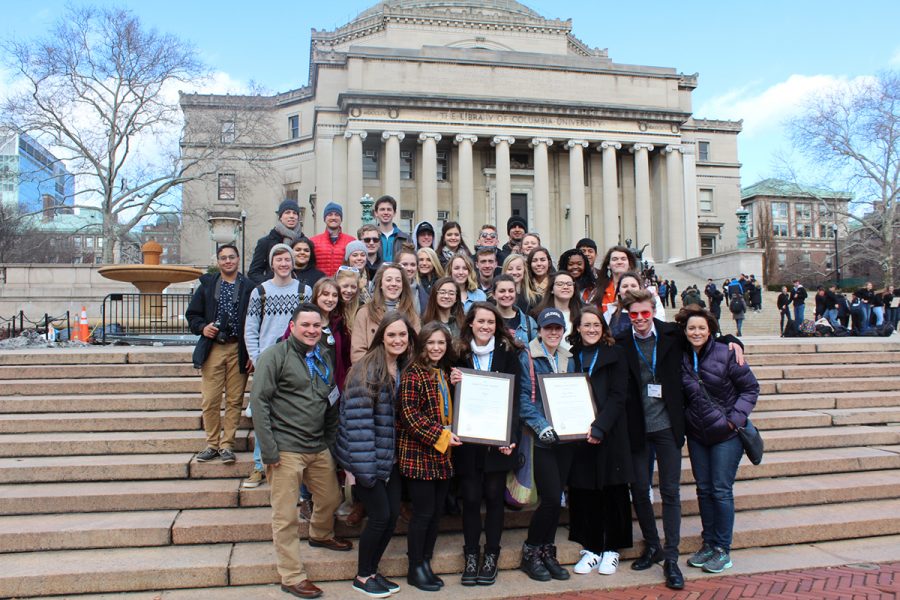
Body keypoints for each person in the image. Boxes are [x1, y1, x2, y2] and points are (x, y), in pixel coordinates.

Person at [249, 303, 351, 600]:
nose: (311, 330)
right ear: (292, 327)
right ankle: (291, 575)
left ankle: (320, 534)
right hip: (285, 448)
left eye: (316, 326)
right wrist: (269, 450)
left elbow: (332, 399)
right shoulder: (274, 356)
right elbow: (260, 403)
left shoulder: (323, 357)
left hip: (317, 445)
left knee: (332, 497)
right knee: (285, 516)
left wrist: (329, 439)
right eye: (305, 325)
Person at [336, 313, 415, 598]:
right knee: (380, 517)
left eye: (402, 335)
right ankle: (362, 575)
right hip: (366, 459)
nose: (398, 340)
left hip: (389, 458)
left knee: (392, 515)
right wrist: (364, 471)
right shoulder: (366, 370)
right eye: (392, 335)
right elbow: (358, 426)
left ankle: (372, 570)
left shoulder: (404, 366)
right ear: (381, 337)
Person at [676, 305, 759, 574]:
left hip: (727, 434)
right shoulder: (683, 358)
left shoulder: (726, 353)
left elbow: (750, 388)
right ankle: (709, 543)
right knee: (704, 489)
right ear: (685, 331)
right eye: (691, 328)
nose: (696, 332)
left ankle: (723, 549)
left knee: (721, 490)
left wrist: (734, 419)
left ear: (710, 329)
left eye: (701, 328)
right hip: (699, 434)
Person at [449, 302, 526, 586]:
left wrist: (512, 437)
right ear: (470, 323)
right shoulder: (457, 352)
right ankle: (471, 554)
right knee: (470, 498)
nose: (485, 326)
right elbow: (445, 393)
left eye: (490, 322)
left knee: (494, 497)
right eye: (480, 321)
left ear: (497, 326)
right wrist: (451, 379)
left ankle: (491, 554)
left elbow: (516, 399)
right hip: (468, 440)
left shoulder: (507, 354)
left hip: (497, 439)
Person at [615, 289, 685, 589]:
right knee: (640, 490)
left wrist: (733, 343)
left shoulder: (672, 334)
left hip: (667, 426)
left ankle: (671, 558)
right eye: (634, 315)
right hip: (637, 427)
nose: (640, 320)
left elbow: (707, 337)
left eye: (645, 314)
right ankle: (653, 544)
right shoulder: (621, 342)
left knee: (670, 492)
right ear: (627, 315)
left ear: (653, 311)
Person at [568, 306, 633, 577]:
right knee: (585, 492)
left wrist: (600, 427)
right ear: (578, 329)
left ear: (603, 328)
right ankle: (592, 547)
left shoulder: (615, 353)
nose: (591, 329)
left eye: (596, 325)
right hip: (579, 433)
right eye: (586, 325)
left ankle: (612, 549)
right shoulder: (573, 355)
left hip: (610, 432)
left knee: (614, 490)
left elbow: (620, 395)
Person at [398, 323, 462, 592]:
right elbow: (411, 416)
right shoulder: (413, 373)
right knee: (423, 513)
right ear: (422, 345)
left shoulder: (446, 373)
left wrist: (460, 386)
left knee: (436, 513)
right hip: (419, 454)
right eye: (431, 343)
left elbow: (450, 408)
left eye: (441, 343)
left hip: (442, 456)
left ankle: (426, 560)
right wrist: (443, 436)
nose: (436, 348)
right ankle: (415, 567)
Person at [518, 308, 576, 583]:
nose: (553, 333)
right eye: (548, 328)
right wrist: (543, 427)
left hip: (566, 438)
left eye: (557, 328)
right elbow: (524, 401)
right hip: (541, 439)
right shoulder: (527, 357)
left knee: (557, 500)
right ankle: (531, 550)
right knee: (551, 497)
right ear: (539, 330)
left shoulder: (569, 357)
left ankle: (547, 550)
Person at [185, 244, 250, 465]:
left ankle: (227, 445)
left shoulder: (249, 286)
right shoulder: (207, 285)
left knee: (234, 399)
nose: (228, 261)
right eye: (223, 258)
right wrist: (203, 327)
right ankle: (212, 443)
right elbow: (192, 315)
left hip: (237, 348)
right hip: (213, 347)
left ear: (238, 259)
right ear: (218, 262)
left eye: (231, 257)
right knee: (211, 398)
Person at [350, 263, 420, 362]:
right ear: (381, 285)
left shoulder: (411, 314)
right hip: (372, 373)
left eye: (398, 280)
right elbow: (358, 353)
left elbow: (416, 350)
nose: (394, 284)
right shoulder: (364, 313)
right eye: (389, 280)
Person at [248, 199, 304, 284]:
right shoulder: (265, 242)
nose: (291, 216)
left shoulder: (304, 242)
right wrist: (270, 285)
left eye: (295, 213)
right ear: (280, 217)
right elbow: (254, 272)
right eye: (287, 212)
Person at [530, 271, 582, 351]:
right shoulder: (538, 314)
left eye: (569, 284)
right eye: (560, 284)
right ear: (552, 289)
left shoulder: (582, 314)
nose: (565, 287)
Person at [603, 271, 664, 337]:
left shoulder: (653, 308)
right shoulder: (610, 311)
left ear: (640, 289)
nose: (629, 289)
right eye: (625, 286)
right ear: (618, 292)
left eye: (633, 286)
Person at [309, 202, 355, 277]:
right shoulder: (313, 241)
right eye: (330, 215)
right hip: (320, 284)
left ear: (341, 218)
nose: (333, 217)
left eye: (337, 215)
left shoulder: (351, 241)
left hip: (343, 285)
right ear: (324, 218)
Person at [591, 245, 638, 313]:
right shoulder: (597, 291)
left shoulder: (643, 289)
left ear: (629, 264)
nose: (619, 262)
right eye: (615, 259)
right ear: (608, 265)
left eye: (623, 259)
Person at [492, 274, 537, 344]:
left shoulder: (529, 322)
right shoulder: (487, 321)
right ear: (494, 295)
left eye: (511, 291)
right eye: (502, 291)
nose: (507, 295)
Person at [374, 195, 410, 261]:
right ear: (376, 213)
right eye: (382, 209)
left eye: (389, 209)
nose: (386, 212)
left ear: (394, 213)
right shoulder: (371, 238)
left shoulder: (406, 239)